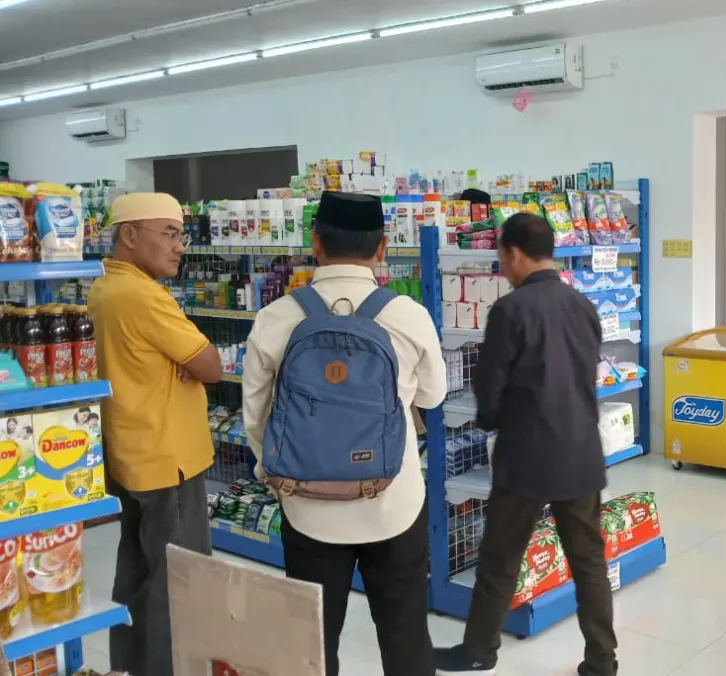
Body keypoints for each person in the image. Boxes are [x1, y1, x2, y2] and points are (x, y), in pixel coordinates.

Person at [242, 191, 446, 676]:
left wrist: (286, 473)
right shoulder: (407, 315)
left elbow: (256, 417)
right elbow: (434, 397)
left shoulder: (276, 316)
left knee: (311, 641)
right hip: (393, 502)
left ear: (316, 243)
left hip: (308, 508)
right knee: (405, 636)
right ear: (382, 249)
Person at [435, 213, 617, 676]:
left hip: (526, 456)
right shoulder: (583, 305)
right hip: (580, 451)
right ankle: (601, 661)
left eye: (501, 257)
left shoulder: (509, 311)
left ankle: (479, 650)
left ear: (512, 253)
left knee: (499, 558)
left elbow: (490, 393)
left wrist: (490, 420)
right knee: (589, 562)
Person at [88, 192, 222, 676]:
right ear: (128, 235)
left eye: (181, 235)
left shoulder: (104, 287)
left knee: (138, 574)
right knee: (182, 584)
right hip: (169, 458)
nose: (180, 246)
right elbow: (209, 365)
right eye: (168, 233)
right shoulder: (144, 295)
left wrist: (181, 365)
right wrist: (190, 366)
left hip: (129, 453)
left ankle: (132, 665)